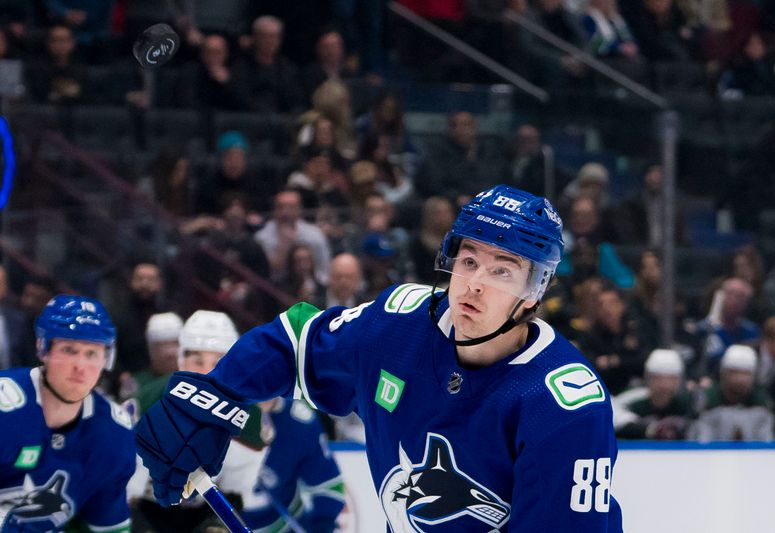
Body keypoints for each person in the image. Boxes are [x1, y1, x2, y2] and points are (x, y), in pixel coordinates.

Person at [135, 185, 623, 531]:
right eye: (470, 260)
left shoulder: (563, 406)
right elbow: (296, 342)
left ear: (533, 292)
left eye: (502, 271)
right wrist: (219, 392)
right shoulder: (398, 323)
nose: (474, 282)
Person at [0, 295, 135, 531]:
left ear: (107, 359)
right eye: (69, 350)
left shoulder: (113, 434)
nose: (80, 366)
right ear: (43, 348)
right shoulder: (5, 406)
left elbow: (108, 526)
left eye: (92, 353)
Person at [129, 310, 266, 532]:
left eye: (218, 362)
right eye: (197, 360)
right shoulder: (147, 403)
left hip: (207, 511)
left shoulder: (249, 418)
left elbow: (237, 493)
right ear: (181, 361)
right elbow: (123, 491)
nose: (207, 373)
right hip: (148, 510)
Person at [241, 398, 345, 533]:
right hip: (214, 520)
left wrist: (322, 526)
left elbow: (328, 485)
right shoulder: (218, 405)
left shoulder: (299, 420)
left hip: (282, 526)